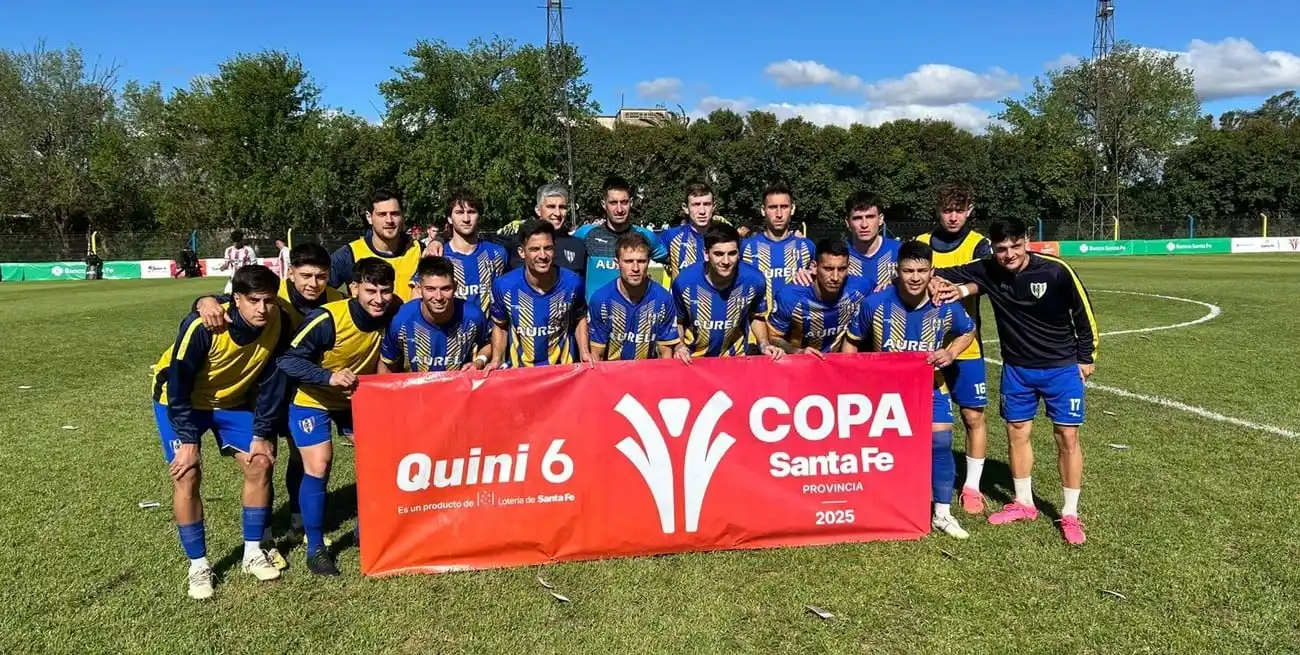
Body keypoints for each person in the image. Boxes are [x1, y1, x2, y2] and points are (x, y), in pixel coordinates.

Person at [932, 217, 1098, 545]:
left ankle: (1069, 513)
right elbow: (943, 273)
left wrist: (1087, 356)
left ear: (1027, 240)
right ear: (993, 248)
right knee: (1017, 434)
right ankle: (1024, 503)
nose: (1008, 255)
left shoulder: (1056, 270)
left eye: (1015, 246)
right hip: (1017, 370)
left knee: (1067, 436)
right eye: (1001, 249)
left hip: (1061, 368)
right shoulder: (988, 269)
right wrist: (936, 282)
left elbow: (1083, 312)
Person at [150, 264, 289, 599]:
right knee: (187, 473)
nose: (262, 309)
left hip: (231, 402)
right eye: (253, 300)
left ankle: (252, 551)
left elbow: (272, 382)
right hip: (178, 402)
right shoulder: (202, 326)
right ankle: (198, 565)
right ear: (235, 299)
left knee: (260, 462)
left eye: (268, 300)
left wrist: (261, 431)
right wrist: (187, 441)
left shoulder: (279, 320)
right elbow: (179, 384)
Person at [192, 243, 344, 548]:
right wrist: (203, 299)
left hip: (303, 390)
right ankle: (263, 538)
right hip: (261, 392)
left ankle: (299, 523)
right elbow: (226, 304)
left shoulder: (336, 301)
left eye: (321, 276)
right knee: (264, 457)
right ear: (291, 273)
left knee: (302, 456)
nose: (313, 283)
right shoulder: (274, 296)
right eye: (305, 276)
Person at [841, 242, 976, 539]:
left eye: (921, 271)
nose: (915, 277)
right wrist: (851, 378)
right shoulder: (875, 304)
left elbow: (968, 330)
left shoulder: (945, 304)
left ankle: (942, 513)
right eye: (908, 270)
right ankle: (877, 506)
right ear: (896, 271)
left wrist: (951, 353)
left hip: (929, 387)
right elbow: (852, 340)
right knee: (878, 452)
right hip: (882, 394)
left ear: (932, 272)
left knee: (940, 441)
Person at [278, 258, 397, 575]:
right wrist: (327, 376)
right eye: (370, 290)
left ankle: (365, 529)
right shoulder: (327, 319)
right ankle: (316, 548)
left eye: (385, 291)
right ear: (354, 288)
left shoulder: (393, 311)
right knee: (319, 464)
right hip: (312, 398)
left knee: (379, 459)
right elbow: (287, 360)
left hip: (355, 399)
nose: (378, 299)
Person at [915, 182, 994, 514]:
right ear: (938, 210)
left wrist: (960, 289)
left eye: (959, 210)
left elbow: (991, 280)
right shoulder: (919, 244)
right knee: (919, 418)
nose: (952, 216)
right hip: (922, 345)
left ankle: (972, 487)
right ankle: (919, 479)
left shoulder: (980, 245)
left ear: (970, 210)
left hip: (966, 345)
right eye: (947, 210)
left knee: (972, 415)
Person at [670, 223, 782, 362]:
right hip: (694, 360)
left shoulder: (754, 280)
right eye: (718, 254)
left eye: (732, 253)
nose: (726, 261)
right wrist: (679, 346)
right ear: (706, 254)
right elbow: (678, 321)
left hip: (735, 359)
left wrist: (764, 344)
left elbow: (756, 316)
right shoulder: (684, 281)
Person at [488, 220, 590, 368]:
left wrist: (584, 352)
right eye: (535, 249)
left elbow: (580, 318)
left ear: (555, 249)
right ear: (522, 252)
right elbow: (500, 326)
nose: (543, 255)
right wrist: (496, 360)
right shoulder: (504, 286)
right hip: (521, 373)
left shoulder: (573, 283)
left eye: (548, 248)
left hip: (562, 372)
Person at [380, 256, 492, 373]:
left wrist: (479, 361)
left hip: (458, 387)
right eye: (430, 289)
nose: (438, 297)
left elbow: (488, 342)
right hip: (415, 389)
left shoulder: (473, 315)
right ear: (419, 289)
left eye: (445, 289)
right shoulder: (402, 319)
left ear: (455, 287)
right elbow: (388, 363)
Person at [588, 232, 680, 361]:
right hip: (613, 375)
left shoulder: (663, 299)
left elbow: (665, 354)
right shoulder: (600, 300)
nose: (635, 268)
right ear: (617, 263)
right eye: (628, 261)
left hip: (648, 375)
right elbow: (597, 355)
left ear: (649, 262)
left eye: (641, 261)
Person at [767, 239, 868, 355]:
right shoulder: (789, 297)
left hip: (835, 365)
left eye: (841, 269)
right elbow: (773, 337)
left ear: (848, 267)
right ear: (814, 267)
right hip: (799, 366)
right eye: (828, 269)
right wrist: (798, 352)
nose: (835, 277)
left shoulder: (860, 289)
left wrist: (886, 285)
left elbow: (884, 294)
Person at [573, 176, 669, 295]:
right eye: (613, 203)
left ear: (631, 203)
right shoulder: (586, 234)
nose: (619, 209)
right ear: (604, 204)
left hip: (633, 312)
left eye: (624, 202)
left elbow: (677, 259)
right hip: (595, 312)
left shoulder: (646, 236)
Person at [422, 188, 508, 315]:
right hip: (448, 332)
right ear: (450, 219)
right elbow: (418, 298)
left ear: (479, 217)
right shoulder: (436, 254)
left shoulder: (497, 254)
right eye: (459, 212)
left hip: (489, 333)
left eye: (471, 212)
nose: (466, 219)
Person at [329, 187, 422, 302]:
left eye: (395, 214)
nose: (389, 220)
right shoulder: (349, 254)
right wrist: (347, 304)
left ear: (402, 216)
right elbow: (319, 287)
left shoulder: (420, 250)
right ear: (369, 217)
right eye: (382, 214)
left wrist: (435, 242)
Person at [742, 182, 815, 311]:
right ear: (763, 210)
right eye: (772, 207)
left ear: (792, 209)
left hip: (796, 326)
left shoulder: (807, 247)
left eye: (784, 207)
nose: (779, 214)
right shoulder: (747, 247)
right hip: (758, 324)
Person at [659, 182, 719, 280]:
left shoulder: (726, 236)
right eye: (696, 204)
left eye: (707, 204)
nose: (702, 211)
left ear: (714, 206)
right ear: (686, 208)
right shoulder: (671, 236)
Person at [843, 192, 901, 291]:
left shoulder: (900, 251)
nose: (864, 225)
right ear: (848, 222)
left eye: (870, 217)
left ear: (880, 219)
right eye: (857, 218)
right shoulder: (838, 255)